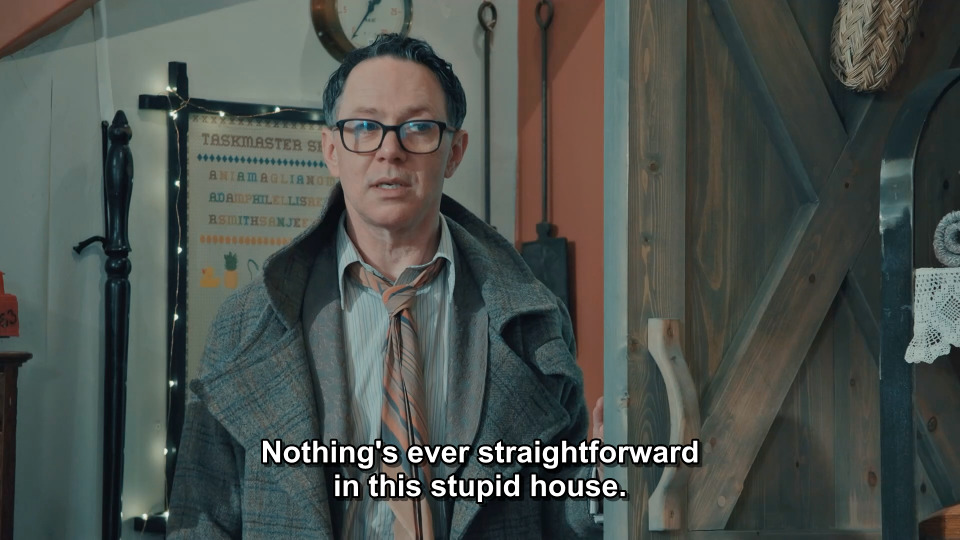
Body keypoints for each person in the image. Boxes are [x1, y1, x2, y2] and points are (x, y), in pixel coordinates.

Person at [168, 33, 603, 539]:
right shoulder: (246, 322)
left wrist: (601, 482)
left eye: (418, 127)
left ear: (455, 151)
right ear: (332, 149)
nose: (389, 151)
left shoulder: (532, 321)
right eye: (364, 127)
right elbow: (202, 519)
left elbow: (562, 517)